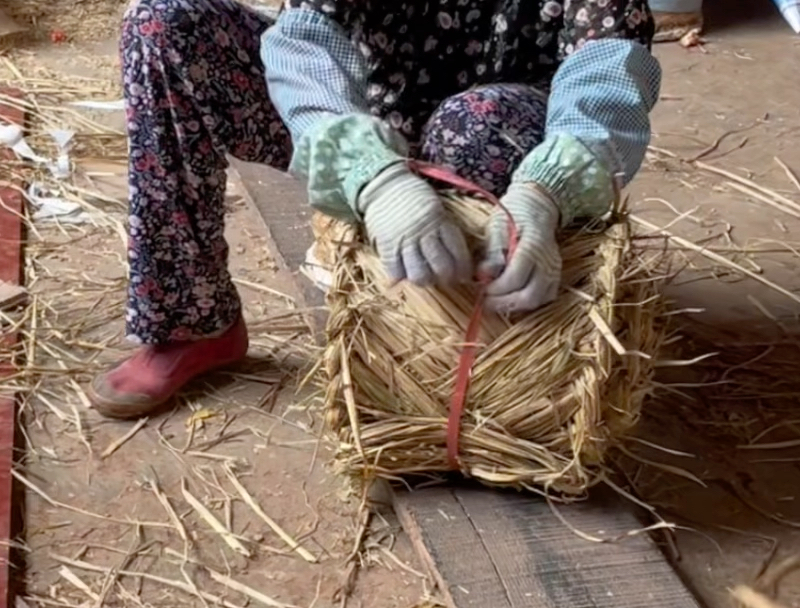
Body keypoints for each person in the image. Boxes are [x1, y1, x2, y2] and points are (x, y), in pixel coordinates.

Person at [90, 0, 662, 419]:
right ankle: (194, 321)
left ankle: (459, 354)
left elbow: (608, 66)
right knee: (162, 24)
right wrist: (372, 172)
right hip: (361, 118)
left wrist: (548, 189)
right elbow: (307, 39)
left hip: (505, 141)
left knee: (473, 122)